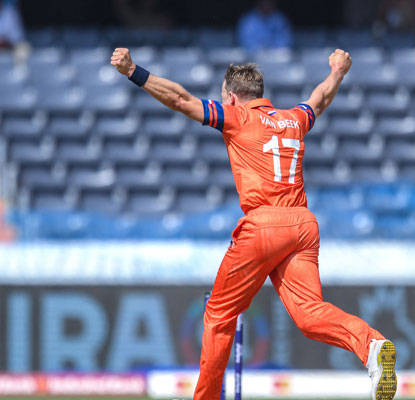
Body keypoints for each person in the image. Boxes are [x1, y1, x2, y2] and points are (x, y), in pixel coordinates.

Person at [110, 47, 397, 400]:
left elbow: (181, 99)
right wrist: (338, 71)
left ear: (232, 97)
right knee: (309, 316)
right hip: (303, 226)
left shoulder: (237, 117)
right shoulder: (294, 119)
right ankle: (373, 344)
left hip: (264, 225)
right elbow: (319, 99)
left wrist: (133, 71)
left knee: (218, 312)